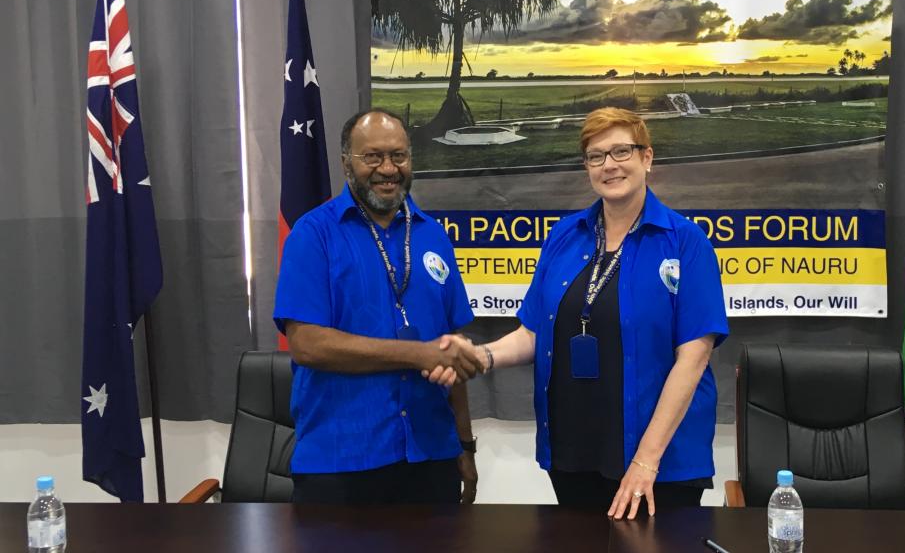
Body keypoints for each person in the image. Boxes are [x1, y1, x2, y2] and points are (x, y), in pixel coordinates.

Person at [468, 107, 728, 518]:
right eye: (596, 155)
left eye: (621, 151)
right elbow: (534, 333)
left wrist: (646, 461)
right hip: (575, 448)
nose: (609, 165)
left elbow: (693, 358)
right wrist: (479, 357)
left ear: (647, 158)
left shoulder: (685, 242)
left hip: (660, 464)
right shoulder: (564, 236)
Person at [274, 110, 483, 505]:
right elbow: (307, 345)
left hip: (430, 457)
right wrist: (414, 354)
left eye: (399, 156)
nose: (388, 169)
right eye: (372, 157)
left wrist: (465, 444)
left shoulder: (433, 236)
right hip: (341, 463)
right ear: (346, 162)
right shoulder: (313, 235)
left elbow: (451, 350)